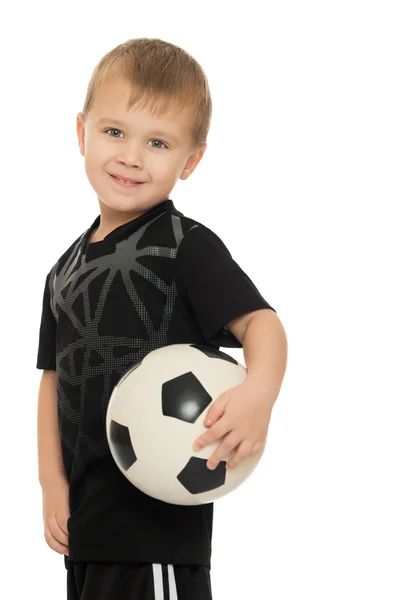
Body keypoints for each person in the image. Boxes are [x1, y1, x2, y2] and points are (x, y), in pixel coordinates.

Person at [36, 37, 287, 600]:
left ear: (190, 160)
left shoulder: (185, 248)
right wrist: (51, 484)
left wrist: (259, 394)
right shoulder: (62, 271)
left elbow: (262, 324)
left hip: (157, 539)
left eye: (157, 142)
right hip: (86, 529)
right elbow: (53, 379)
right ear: (82, 133)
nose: (130, 156)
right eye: (114, 132)